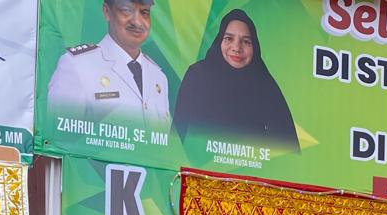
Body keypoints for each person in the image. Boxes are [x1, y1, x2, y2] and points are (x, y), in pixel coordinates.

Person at [172, 10, 299, 152]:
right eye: (229, 39)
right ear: (220, 40)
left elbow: (288, 148)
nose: (236, 48)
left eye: (246, 41)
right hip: (196, 171)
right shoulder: (197, 75)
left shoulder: (265, 86)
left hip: (250, 172)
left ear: (254, 46)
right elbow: (176, 135)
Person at [46, 0, 171, 130]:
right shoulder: (77, 65)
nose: (137, 22)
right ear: (107, 12)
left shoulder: (159, 77)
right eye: (127, 10)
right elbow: (60, 140)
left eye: (144, 13)